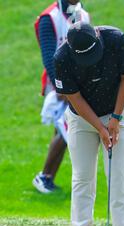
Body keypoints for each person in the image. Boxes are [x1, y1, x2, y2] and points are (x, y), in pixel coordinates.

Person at [54, 22, 124, 226]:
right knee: (82, 177)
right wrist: (100, 127)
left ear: (98, 36)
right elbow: (74, 97)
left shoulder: (116, 39)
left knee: (118, 174)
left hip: (117, 112)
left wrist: (115, 118)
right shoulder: (62, 58)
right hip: (82, 119)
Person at [33, 0, 90, 193]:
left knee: (64, 130)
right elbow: (48, 56)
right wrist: (63, 87)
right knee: (66, 129)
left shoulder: (83, 15)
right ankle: (44, 177)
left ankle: (47, 177)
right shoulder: (49, 18)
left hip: (77, 84)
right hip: (58, 86)